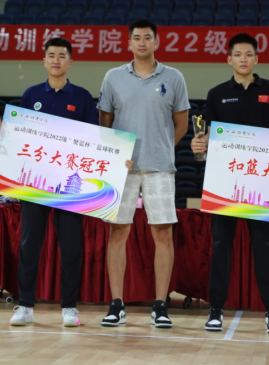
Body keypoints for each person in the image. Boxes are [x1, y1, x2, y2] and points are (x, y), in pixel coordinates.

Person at [0, 37, 98, 328]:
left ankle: (69, 307)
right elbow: (20, 137)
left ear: (71, 62)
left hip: (71, 184)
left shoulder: (83, 97)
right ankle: (25, 306)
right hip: (35, 183)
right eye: (51, 55)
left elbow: (95, 140)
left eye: (62, 55)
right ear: (44, 61)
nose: (56, 60)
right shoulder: (31, 94)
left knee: (71, 247)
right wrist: (2, 129)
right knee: (29, 246)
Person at [191, 33, 269, 334]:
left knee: (264, 247)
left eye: (249, 54)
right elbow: (206, 137)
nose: (243, 59)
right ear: (229, 59)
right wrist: (198, 146)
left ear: (256, 59)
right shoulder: (217, 94)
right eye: (238, 54)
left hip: (262, 183)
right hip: (225, 181)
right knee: (220, 246)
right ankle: (215, 309)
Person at [97, 19, 190, 329]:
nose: (141, 42)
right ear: (128, 43)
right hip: (122, 170)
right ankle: (116, 304)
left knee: (163, 235)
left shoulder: (174, 77)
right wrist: (115, 156)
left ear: (156, 42)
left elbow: (181, 124)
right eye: (136, 38)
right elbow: (105, 122)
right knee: (118, 234)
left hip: (160, 168)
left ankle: (161, 304)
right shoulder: (112, 77)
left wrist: (160, 149)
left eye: (147, 37)